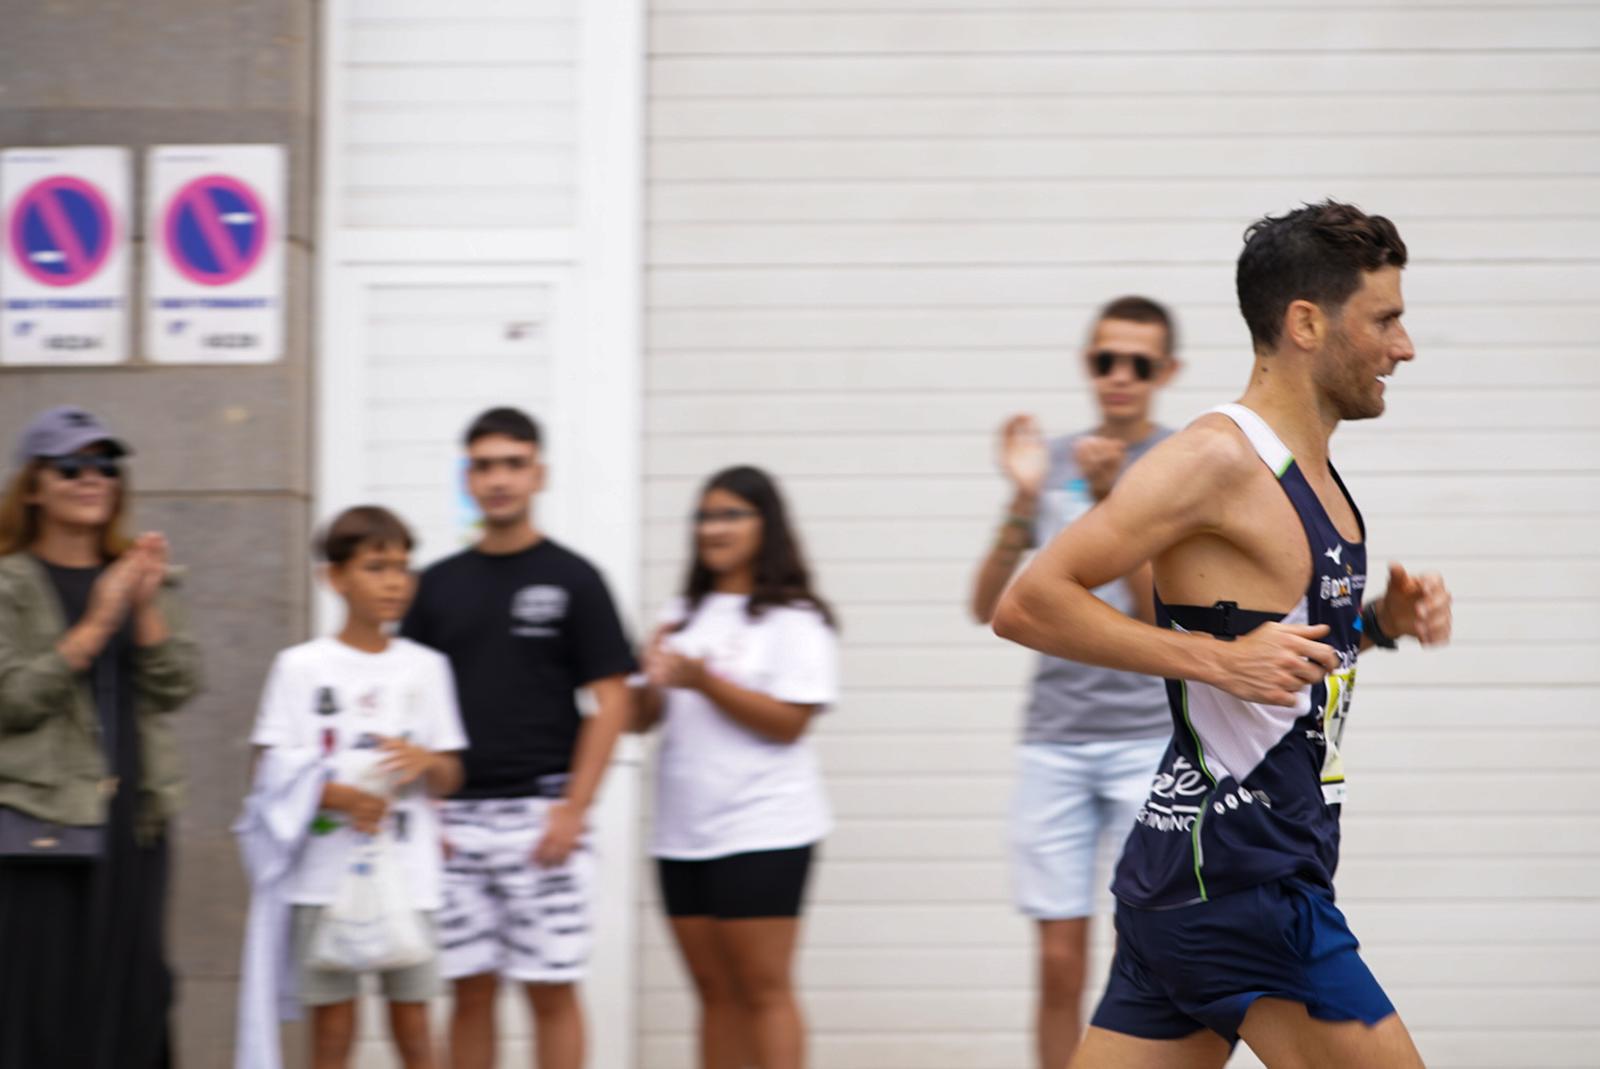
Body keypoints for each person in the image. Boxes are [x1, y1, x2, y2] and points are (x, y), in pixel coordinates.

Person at [992, 200, 1454, 1068]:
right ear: (1307, 323)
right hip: (1243, 885)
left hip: (1192, 877)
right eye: (1385, 319)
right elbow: (1031, 601)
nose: (1405, 346)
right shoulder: (1214, 457)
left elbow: (1274, 647)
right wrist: (1215, 659)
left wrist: (1378, 625)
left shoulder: (1312, 470)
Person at [970, 296, 1180, 1068]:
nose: (1119, 377)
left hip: (1145, 738)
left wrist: (1108, 501)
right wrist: (1024, 500)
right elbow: (989, 601)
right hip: (1055, 736)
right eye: (1104, 360)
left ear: (1168, 372)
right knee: (1058, 963)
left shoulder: (1180, 462)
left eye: (1140, 363)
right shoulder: (1053, 457)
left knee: (1144, 955)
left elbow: (1162, 614)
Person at [401, 407, 636, 1069]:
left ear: (539, 473)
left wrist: (575, 808)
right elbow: (407, 700)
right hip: (454, 819)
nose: (499, 478)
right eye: (484, 465)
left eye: (513, 463)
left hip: (544, 816)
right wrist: (426, 807)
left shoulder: (574, 578)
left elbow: (612, 699)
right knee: (469, 990)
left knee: (551, 989)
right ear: (467, 478)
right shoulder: (437, 585)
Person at [0, 405, 201, 1069]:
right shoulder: (9, 583)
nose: (93, 476)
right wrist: (98, 620)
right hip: (41, 819)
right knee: (41, 996)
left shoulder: (141, 576)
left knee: (135, 993)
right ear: (33, 485)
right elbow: (11, 700)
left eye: (105, 464)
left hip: (133, 817)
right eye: (71, 465)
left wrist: (141, 607)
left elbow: (178, 685)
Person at [633, 465, 838, 1069]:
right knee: (714, 995)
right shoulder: (681, 613)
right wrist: (648, 678)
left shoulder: (795, 618)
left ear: (765, 525)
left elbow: (789, 722)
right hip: (681, 834)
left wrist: (703, 680)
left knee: (764, 991)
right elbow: (641, 718)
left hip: (763, 829)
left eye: (730, 515)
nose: (712, 528)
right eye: (704, 515)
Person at [247, 506, 467, 1069]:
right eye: (376, 566)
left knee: (415, 1025)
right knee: (333, 1029)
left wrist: (426, 762)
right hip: (322, 878)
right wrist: (343, 798)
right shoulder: (300, 667)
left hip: (411, 878)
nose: (395, 581)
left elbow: (452, 772)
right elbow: (269, 774)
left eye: (402, 566)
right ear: (334, 577)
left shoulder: (427, 668)